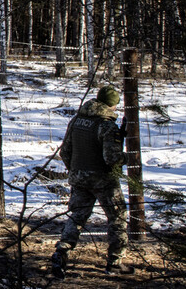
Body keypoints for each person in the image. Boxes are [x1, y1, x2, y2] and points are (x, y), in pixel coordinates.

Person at [51, 85, 132, 278]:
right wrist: (126, 158)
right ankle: (115, 262)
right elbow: (111, 158)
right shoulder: (106, 125)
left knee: (76, 217)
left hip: (79, 177)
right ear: (112, 105)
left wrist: (76, 170)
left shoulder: (77, 120)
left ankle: (61, 252)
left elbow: (65, 152)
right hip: (103, 180)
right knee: (117, 218)